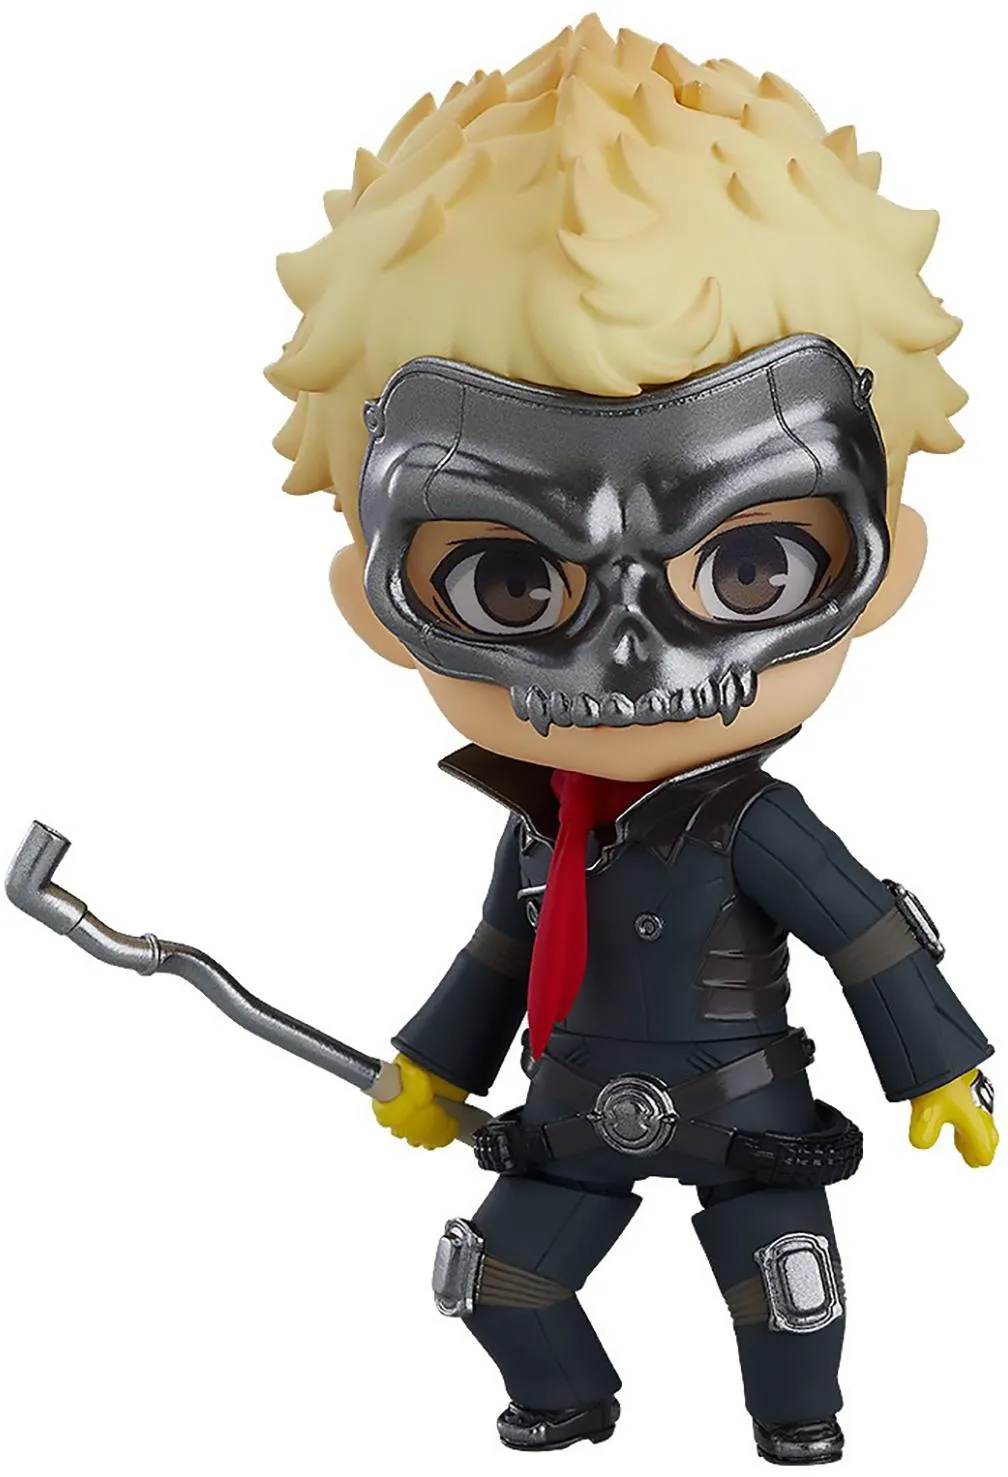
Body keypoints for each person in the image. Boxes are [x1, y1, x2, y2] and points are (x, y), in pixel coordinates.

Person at [267, 16, 997, 1464]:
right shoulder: (540, 834)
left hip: (746, 1108)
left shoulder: (755, 828)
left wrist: (937, 1061)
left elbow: (867, 937)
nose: (631, 658)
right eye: (510, 582)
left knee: (791, 1294)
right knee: (496, 1279)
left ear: (885, 569)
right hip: (575, 1110)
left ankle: (797, 1422)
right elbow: (498, 957)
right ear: (377, 606)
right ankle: (564, 1399)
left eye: (749, 567)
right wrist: (436, 1065)